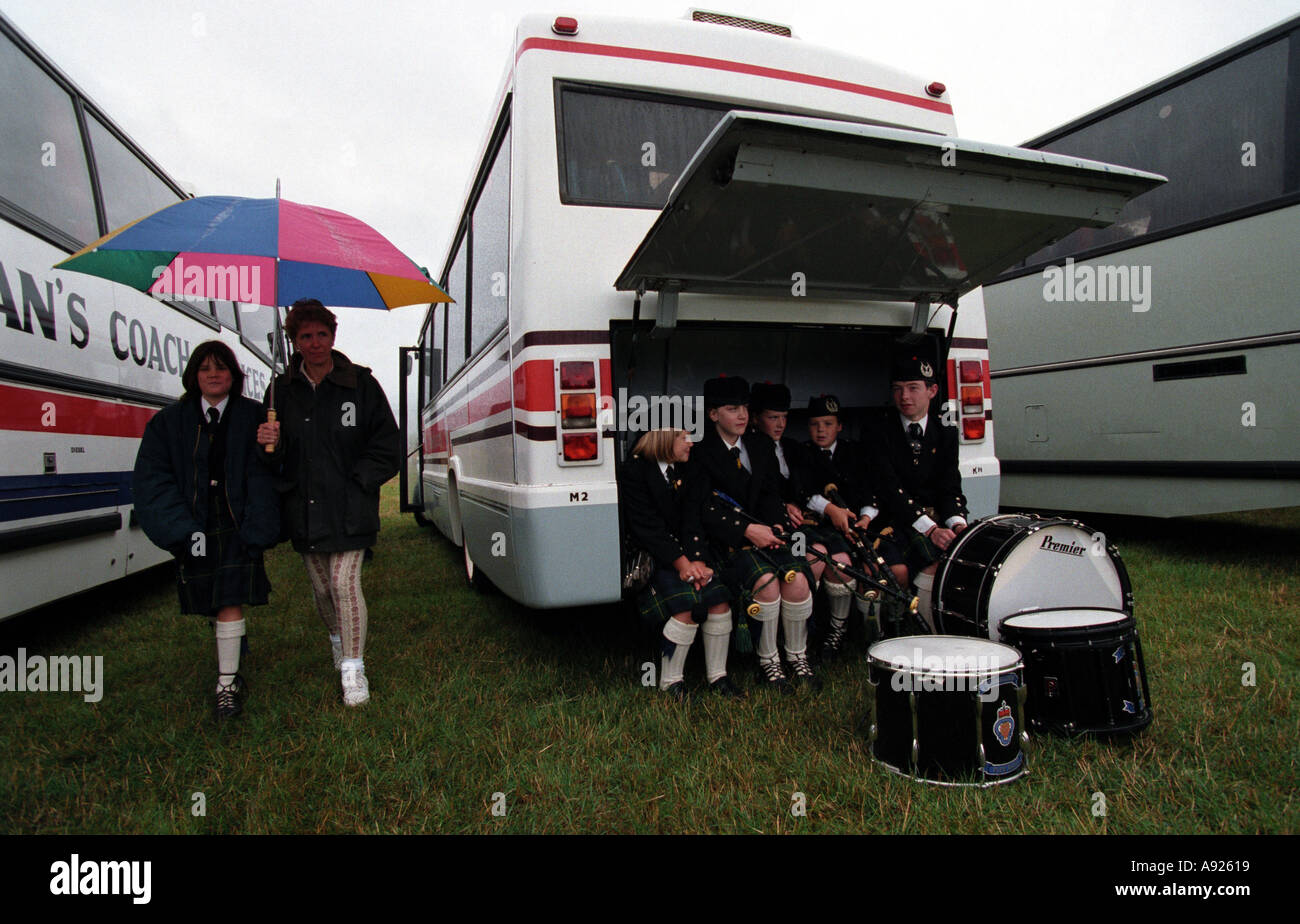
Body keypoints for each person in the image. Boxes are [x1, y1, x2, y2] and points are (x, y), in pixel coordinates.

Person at [257, 299, 401, 707]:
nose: (315, 342)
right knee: (323, 591)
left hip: (350, 506)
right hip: (304, 507)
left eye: (322, 334)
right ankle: (338, 641)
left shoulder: (361, 385)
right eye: (306, 336)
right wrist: (269, 443)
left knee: (343, 584)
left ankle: (353, 669)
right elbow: (274, 461)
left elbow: (387, 446)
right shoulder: (280, 392)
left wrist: (359, 482)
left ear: (333, 336)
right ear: (294, 342)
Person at [133, 340, 280, 720]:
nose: (214, 375)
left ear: (234, 374)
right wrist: (181, 530)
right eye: (205, 368)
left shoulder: (257, 417)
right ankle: (232, 644)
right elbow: (154, 479)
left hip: (238, 523)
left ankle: (226, 685)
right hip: (194, 522)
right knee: (213, 601)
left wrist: (275, 445)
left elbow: (275, 475)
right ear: (193, 376)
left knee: (229, 597)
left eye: (221, 367)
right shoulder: (168, 422)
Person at [694, 376, 818, 692]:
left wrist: (775, 522)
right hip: (728, 541)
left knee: (798, 580)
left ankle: (797, 656)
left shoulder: (760, 445)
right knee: (767, 587)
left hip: (767, 533)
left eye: (745, 408)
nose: (742, 416)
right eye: (732, 409)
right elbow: (702, 508)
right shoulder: (699, 452)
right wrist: (748, 530)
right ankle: (768, 662)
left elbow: (770, 492)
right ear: (712, 414)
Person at [619, 428, 739, 699]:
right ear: (663, 438)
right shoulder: (635, 472)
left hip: (690, 553)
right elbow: (646, 527)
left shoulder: (690, 468)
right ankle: (671, 682)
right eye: (683, 436)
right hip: (654, 556)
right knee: (685, 607)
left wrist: (697, 561)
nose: (691, 443)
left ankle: (718, 677)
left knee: (718, 601)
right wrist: (682, 564)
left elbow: (693, 517)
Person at [749, 384, 857, 660]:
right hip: (774, 529)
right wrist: (781, 506)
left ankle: (832, 634)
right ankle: (796, 635)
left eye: (784, 417)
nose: (780, 424)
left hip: (806, 525)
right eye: (773, 417)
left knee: (842, 559)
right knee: (817, 557)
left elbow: (808, 486)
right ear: (755, 418)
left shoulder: (793, 448)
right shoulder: (750, 449)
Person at [797, 393, 907, 654]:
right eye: (815, 424)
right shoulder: (802, 453)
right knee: (840, 565)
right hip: (825, 529)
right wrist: (830, 509)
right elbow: (804, 492)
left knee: (897, 570)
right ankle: (838, 629)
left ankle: (890, 627)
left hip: (863, 526)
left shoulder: (855, 452)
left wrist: (866, 517)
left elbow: (871, 490)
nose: (821, 430)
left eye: (827, 423)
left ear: (840, 426)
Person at [867, 350, 969, 630]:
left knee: (948, 562)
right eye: (898, 389)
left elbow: (950, 486)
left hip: (932, 521)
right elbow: (889, 489)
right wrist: (931, 530)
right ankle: (900, 626)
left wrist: (957, 524)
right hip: (892, 519)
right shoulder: (879, 430)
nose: (905, 397)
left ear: (932, 390)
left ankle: (931, 628)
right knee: (903, 569)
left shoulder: (945, 430)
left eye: (913, 388)